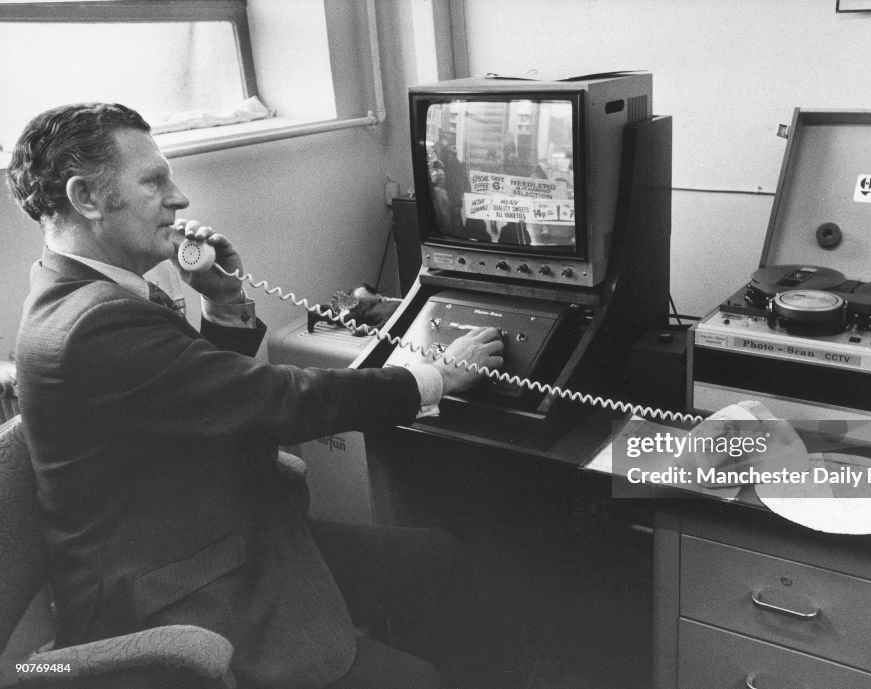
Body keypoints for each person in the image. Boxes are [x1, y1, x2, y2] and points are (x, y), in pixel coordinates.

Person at [7, 102, 504, 689]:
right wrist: (435, 375)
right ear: (86, 198)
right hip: (178, 591)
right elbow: (274, 401)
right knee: (416, 678)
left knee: (439, 561)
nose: (180, 199)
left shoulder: (80, 290)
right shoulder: (93, 323)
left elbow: (204, 399)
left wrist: (220, 302)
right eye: (155, 181)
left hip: (223, 537)